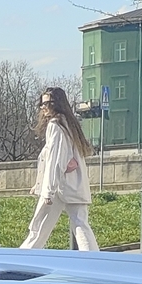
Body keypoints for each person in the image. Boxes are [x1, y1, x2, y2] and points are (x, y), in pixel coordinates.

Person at [21, 86, 98, 251]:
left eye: (47, 103)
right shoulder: (69, 124)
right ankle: (94, 259)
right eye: (42, 104)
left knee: (39, 227)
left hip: (58, 186)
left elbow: (56, 160)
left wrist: (47, 190)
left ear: (57, 104)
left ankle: (22, 258)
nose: (44, 107)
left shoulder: (55, 126)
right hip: (72, 184)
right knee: (80, 224)